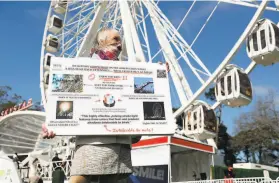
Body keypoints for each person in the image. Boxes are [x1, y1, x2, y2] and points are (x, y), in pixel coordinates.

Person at [42, 28, 169, 183]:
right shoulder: (82, 68)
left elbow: (140, 102)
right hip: (92, 145)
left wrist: (157, 75)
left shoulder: (129, 73)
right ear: (102, 41)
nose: (119, 43)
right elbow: (65, 99)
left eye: (120, 39)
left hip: (120, 149)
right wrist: (52, 123)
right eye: (115, 39)